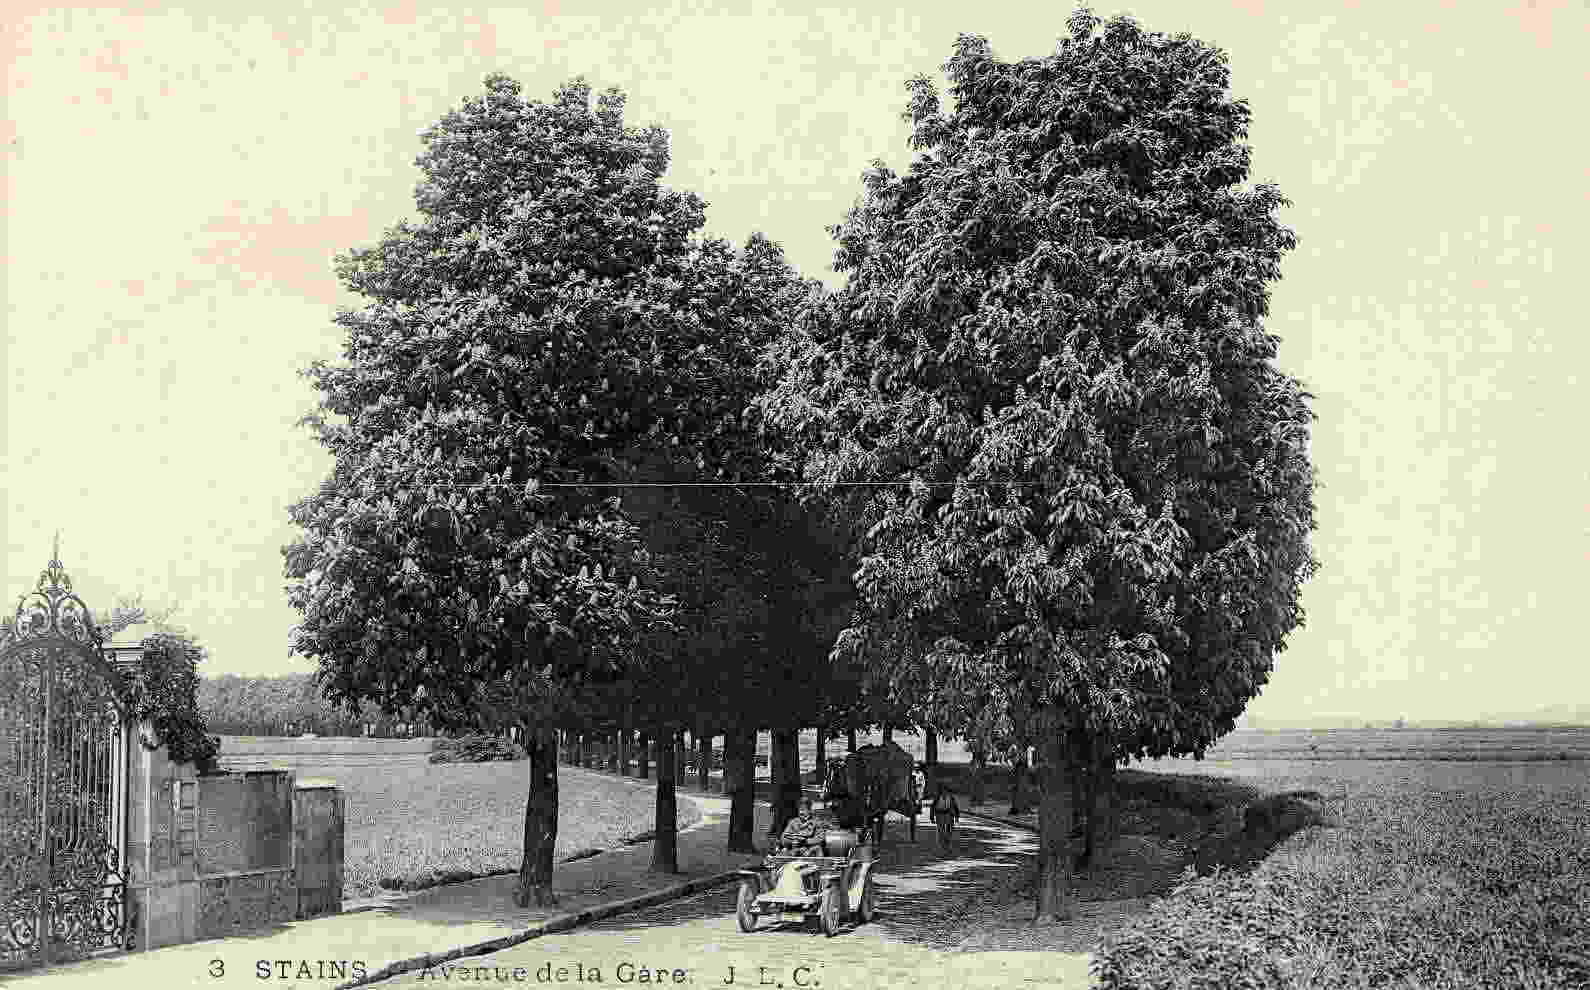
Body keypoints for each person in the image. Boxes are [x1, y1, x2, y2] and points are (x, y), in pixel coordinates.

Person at [930, 785, 960, 853]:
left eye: (946, 791)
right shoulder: (937, 797)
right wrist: (932, 817)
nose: (945, 793)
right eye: (943, 791)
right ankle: (943, 845)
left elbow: (955, 807)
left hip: (949, 814)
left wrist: (957, 817)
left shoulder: (951, 798)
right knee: (941, 831)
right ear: (941, 792)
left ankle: (948, 844)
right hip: (939, 815)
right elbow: (932, 807)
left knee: (949, 831)